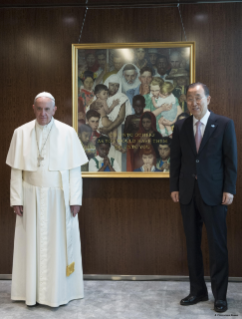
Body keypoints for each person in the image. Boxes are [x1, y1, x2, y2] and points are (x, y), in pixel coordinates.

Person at [6, 92, 88, 307]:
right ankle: (30, 292)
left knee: (58, 244)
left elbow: (74, 170)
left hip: (59, 198)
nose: (43, 113)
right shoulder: (21, 133)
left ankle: (59, 292)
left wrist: (75, 199)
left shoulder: (67, 133)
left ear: (55, 109)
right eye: (39, 108)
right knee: (30, 244)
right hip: (30, 197)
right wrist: (16, 198)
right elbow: (16, 170)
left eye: (47, 109)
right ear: (33, 108)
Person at [170, 83, 237, 313]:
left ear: (208, 99)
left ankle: (220, 296)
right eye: (189, 98)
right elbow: (175, 161)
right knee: (192, 244)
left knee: (218, 246)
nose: (194, 102)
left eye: (198, 97)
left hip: (215, 194)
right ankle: (197, 291)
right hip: (188, 192)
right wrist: (174, 187)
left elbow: (230, 160)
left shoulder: (224, 124)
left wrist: (229, 189)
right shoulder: (180, 126)